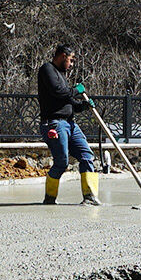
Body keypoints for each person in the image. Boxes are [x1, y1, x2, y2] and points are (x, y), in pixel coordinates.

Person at [37, 44, 100, 206]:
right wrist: (75, 90)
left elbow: (68, 101)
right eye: (71, 60)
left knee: (87, 155)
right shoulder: (47, 69)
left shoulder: (62, 75)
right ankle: (49, 198)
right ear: (63, 56)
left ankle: (90, 197)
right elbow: (57, 92)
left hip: (70, 124)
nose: (71, 65)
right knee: (62, 162)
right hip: (54, 123)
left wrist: (82, 106)